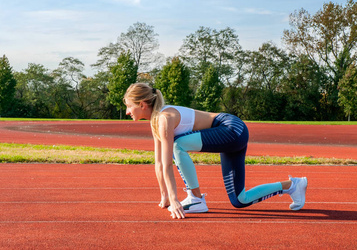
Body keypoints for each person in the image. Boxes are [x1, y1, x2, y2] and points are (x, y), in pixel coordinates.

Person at [123, 83, 308, 219]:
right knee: (239, 200)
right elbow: (159, 163)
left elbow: (168, 164)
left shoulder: (165, 118)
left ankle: (195, 198)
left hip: (231, 128)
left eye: (129, 106)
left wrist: (175, 198)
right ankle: (292, 185)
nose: (127, 111)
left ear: (142, 104)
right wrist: (165, 196)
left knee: (178, 145)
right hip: (229, 136)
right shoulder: (156, 121)